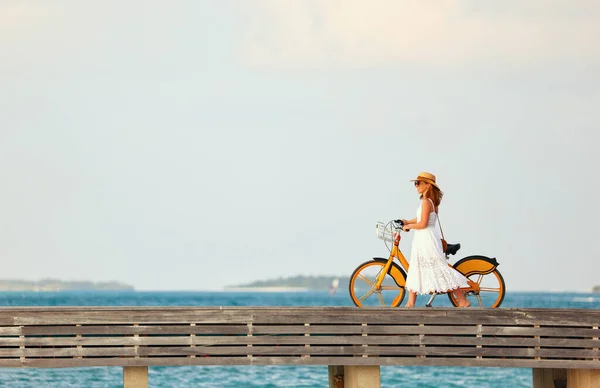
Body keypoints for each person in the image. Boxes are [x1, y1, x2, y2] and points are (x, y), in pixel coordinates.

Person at [401, 172, 471, 308]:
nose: (416, 186)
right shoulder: (430, 203)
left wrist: (408, 226)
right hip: (424, 238)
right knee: (417, 267)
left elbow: (423, 224)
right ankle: (410, 302)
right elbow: (422, 218)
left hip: (426, 239)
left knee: (438, 268)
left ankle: (462, 300)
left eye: (418, 183)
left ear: (428, 185)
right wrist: (408, 221)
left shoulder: (427, 202)